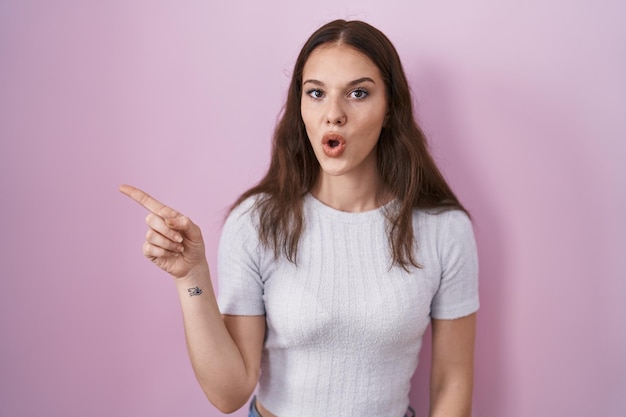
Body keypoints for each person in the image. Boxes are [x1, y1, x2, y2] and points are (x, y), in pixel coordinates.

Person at [120, 19, 478, 417]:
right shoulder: (255, 223)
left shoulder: (445, 230)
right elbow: (229, 393)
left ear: (390, 107)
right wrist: (191, 277)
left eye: (358, 93)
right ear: (301, 105)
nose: (334, 114)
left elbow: (452, 381)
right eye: (316, 93)